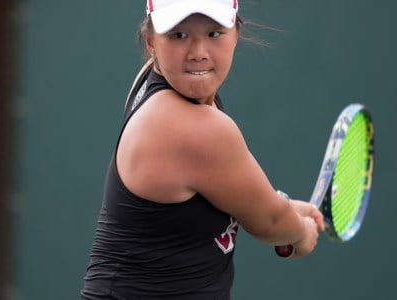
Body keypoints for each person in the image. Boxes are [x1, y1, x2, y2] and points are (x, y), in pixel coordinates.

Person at [81, 0, 325, 299]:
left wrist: (280, 205)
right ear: (151, 42)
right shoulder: (192, 127)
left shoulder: (153, 82)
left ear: (235, 33)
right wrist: (300, 233)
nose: (198, 53)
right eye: (179, 35)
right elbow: (271, 222)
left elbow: (231, 195)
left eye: (213, 33)